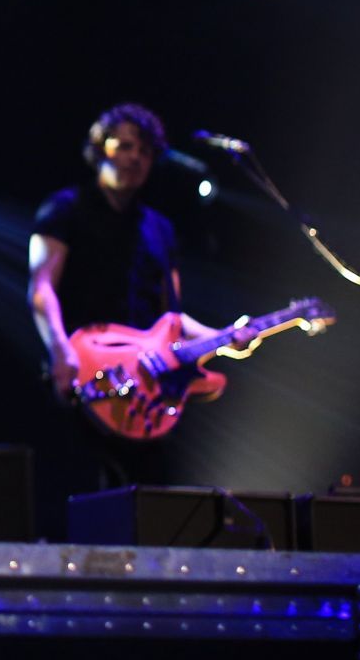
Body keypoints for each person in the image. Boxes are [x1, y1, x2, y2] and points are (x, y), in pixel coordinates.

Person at [27, 103, 252, 488]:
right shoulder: (65, 209)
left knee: (150, 500)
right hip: (85, 377)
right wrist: (60, 348)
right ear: (101, 149)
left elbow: (173, 320)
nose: (135, 158)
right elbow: (41, 285)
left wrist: (226, 337)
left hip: (145, 397)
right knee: (87, 493)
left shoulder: (160, 228)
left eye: (145, 151)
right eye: (126, 146)